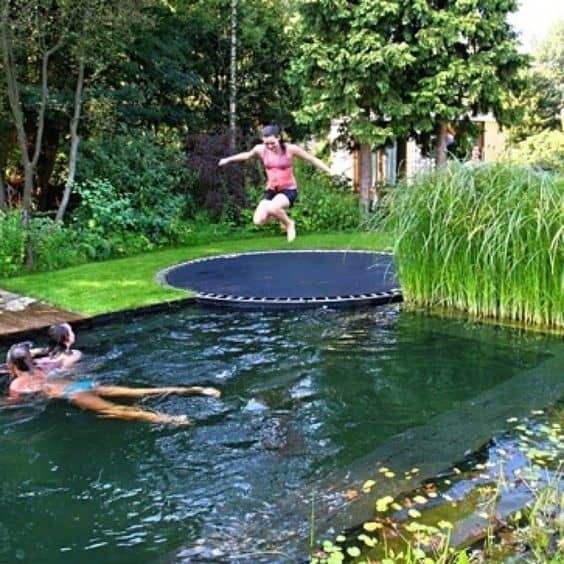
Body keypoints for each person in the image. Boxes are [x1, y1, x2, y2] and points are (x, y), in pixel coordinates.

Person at [5, 342, 221, 425]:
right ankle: (197, 390)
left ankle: (172, 419)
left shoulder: (17, 384)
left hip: (74, 395)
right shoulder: (45, 367)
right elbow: (39, 352)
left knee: (116, 411)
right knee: (141, 392)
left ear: (12, 366)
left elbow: (14, 401)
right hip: (84, 384)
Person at [218, 124, 332, 242]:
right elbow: (247, 155)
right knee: (258, 221)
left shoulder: (290, 149)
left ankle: (289, 224)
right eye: (266, 143)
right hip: (271, 190)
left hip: (288, 190)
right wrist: (228, 159)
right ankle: (281, 217)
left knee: (273, 207)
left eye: (272, 143)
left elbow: (311, 159)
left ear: (278, 137)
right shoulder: (260, 149)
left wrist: (329, 171)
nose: (270, 146)